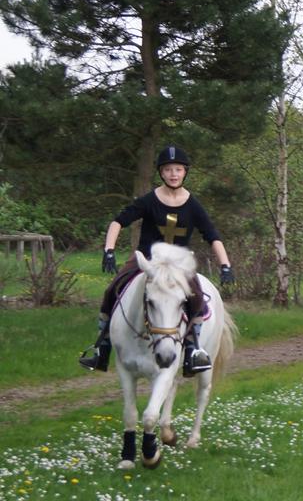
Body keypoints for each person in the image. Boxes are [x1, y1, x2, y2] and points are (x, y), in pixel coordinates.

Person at [79, 145, 235, 375]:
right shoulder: (149, 200)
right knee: (112, 290)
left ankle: (193, 350)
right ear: (161, 172)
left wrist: (225, 265)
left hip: (178, 265)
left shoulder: (193, 205)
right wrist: (109, 250)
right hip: (148, 261)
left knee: (197, 298)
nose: (173, 174)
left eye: (178, 169)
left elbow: (212, 235)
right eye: (169, 169)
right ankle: (101, 347)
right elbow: (118, 222)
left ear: (185, 172)